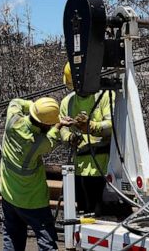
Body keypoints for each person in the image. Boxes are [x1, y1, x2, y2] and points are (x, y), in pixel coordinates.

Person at [0, 97, 73, 251]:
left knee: (12, 237)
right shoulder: (39, 144)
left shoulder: (13, 120)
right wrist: (59, 125)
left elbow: (15, 102)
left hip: (8, 194)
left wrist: (36, 106)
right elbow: (52, 138)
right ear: (45, 124)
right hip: (33, 201)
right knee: (46, 240)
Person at [59, 62, 113, 216]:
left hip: (103, 169)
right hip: (79, 169)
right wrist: (69, 137)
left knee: (101, 217)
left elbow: (112, 125)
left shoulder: (104, 96)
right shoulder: (67, 102)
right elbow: (62, 128)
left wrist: (90, 126)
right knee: (84, 216)